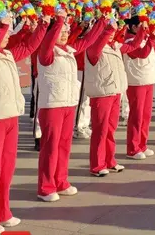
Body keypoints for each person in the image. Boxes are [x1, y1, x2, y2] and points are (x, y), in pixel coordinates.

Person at [0, 15, 48, 235]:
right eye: (3, 32)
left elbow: (30, 46)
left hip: (10, 116)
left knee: (6, 169)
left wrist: (43, 25)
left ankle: (1, 212)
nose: (8, 36)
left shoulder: (7, 55)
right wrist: (3, 26)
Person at [36, 12, 106, 201]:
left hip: (68, 103)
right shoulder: (46, 51)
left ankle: (61, 181)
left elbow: (89, 40)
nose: (65, 34)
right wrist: (58, 20)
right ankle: (46, 186)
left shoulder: (68, 50)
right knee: (50, 147)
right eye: (61, 31)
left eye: (67, 31)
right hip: (52, 105)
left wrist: (102, 21)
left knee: (64, 145)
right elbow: (50, 40)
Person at [84, 18, 142, 176]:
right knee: (100, 130)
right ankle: (97, 165)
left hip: (116, 92)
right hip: (102, 93)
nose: (110, 34)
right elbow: (97, 46)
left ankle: (110, 160)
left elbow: (134, 46)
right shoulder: (93, 48)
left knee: (110, 129)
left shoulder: (115, 46)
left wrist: (143, 30)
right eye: (105, 31)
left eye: (111, 31)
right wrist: (108, 28)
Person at [123, 16, 155, 160]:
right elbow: (142, 53)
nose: (145, 28)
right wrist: (150, 39)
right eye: (142, 26)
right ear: (134, 27)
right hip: (136, 82)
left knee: (146, 116)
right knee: (137, 116)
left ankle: (142, 144)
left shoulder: (145, 39)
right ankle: (133, 148)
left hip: (148, 80)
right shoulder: (128, 41)